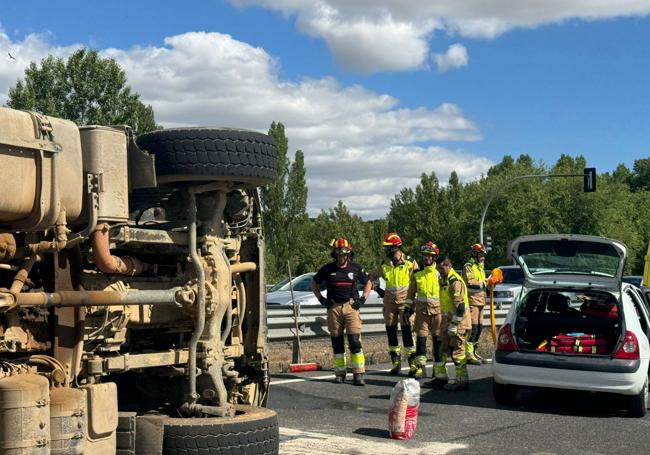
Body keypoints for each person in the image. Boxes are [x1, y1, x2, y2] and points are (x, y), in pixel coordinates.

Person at [311, 238, 372, 386]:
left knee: (354, 341)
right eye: (338, 255)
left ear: (348, 255)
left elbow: (369, 282)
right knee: (337, 342)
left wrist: (362, 299)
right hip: (334, 308)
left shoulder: (356, 269)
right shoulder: (327, 269)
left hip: (351, 307)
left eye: (344, 255)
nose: (341, 257)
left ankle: (358, 374)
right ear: (335, 255)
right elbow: (314, 283)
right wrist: (321, 300)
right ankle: (340, 373)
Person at [369, 232, 418, 375]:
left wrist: (414, 301)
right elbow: (371, 276)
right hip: (389, 303)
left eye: (388, 247)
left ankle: (412, 363)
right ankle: (395, 362)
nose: (386, 250)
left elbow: (419, 280)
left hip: (405, 303)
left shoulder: (410, 262)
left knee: (407, 332)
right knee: (391, 333)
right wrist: (378, 288)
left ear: (396, 247)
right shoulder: (385, 264)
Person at [433, 257, 471, 391]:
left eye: (442, 268)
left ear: (449, 266)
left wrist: (454, 324)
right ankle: (441, 378)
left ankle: (462, 382)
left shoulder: (455, 281)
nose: (440, 271)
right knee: (442, 349)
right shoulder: (444, 279)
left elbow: (460, 307)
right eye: (438, 269)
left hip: (458, 321)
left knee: (458, 352)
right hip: (447, 320)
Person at [404, 242, 441, 379]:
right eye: (425, 255)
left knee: (437, 342)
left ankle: (438, 369)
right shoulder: (417, 274)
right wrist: (407, 308)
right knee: (421, 341)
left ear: (435, 257)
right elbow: (410, 293)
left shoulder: (439, 274)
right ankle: (420, 369)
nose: (426, 258)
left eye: (429, 256)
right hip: (421, 313)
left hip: (437, 313)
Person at [462, 243, 488, 365]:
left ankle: (474, 351)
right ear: (474, 254)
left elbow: (483, 283)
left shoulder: (480, 267)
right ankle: (469, 354)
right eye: (481, 254)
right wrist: (485, 283)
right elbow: (471, 282)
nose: (483, 257)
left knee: (479, 328)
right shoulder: (469, 266)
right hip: (472, 300)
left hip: (481, 300)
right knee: (473, 329)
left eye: (483, 255)